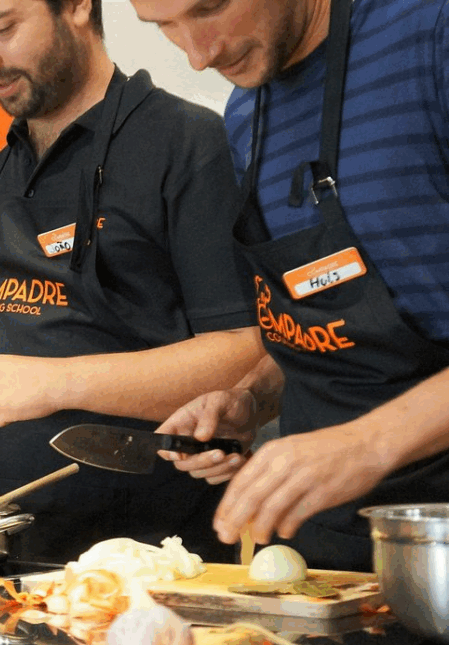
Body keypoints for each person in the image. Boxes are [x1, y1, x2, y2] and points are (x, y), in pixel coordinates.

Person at [0, 0, 263, 564]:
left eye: (2, 29)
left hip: (154, 562)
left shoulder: (190, 143)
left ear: (77, 7)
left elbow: (245, 351)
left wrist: (54, 383)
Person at [130, 0, 449, 571]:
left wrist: (368, 443)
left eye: (209, 8)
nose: (198, 56)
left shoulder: (431, 35)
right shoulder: (246, 114)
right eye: (164, 26)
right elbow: (321, 313)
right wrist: (253, 400)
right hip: (328, 555)